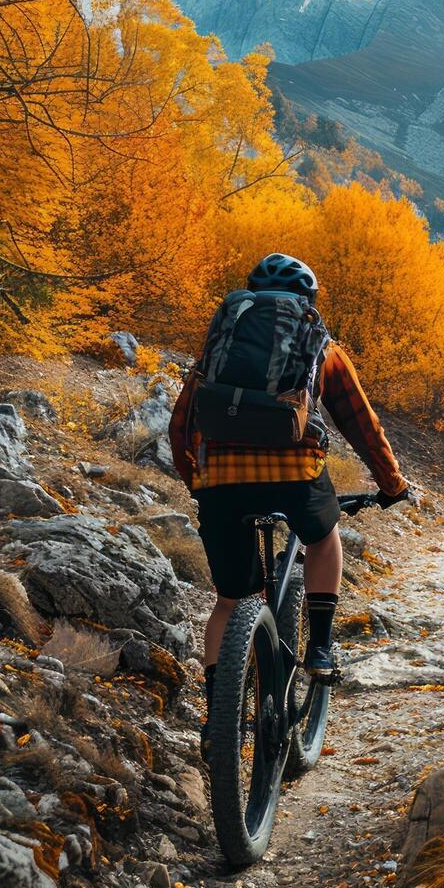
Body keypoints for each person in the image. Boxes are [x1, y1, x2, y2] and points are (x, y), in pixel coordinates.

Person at [167, 253, 413, 706]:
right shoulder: (323, 350)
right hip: (295, 475)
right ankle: (320, 647)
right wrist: (392, 484)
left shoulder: (218, 348)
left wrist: (198, 481)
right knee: (325, 535)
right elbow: (363, 425)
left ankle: (218, 713)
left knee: (228, 601)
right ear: (307, 301)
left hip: (219, 481)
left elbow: (181, 423)